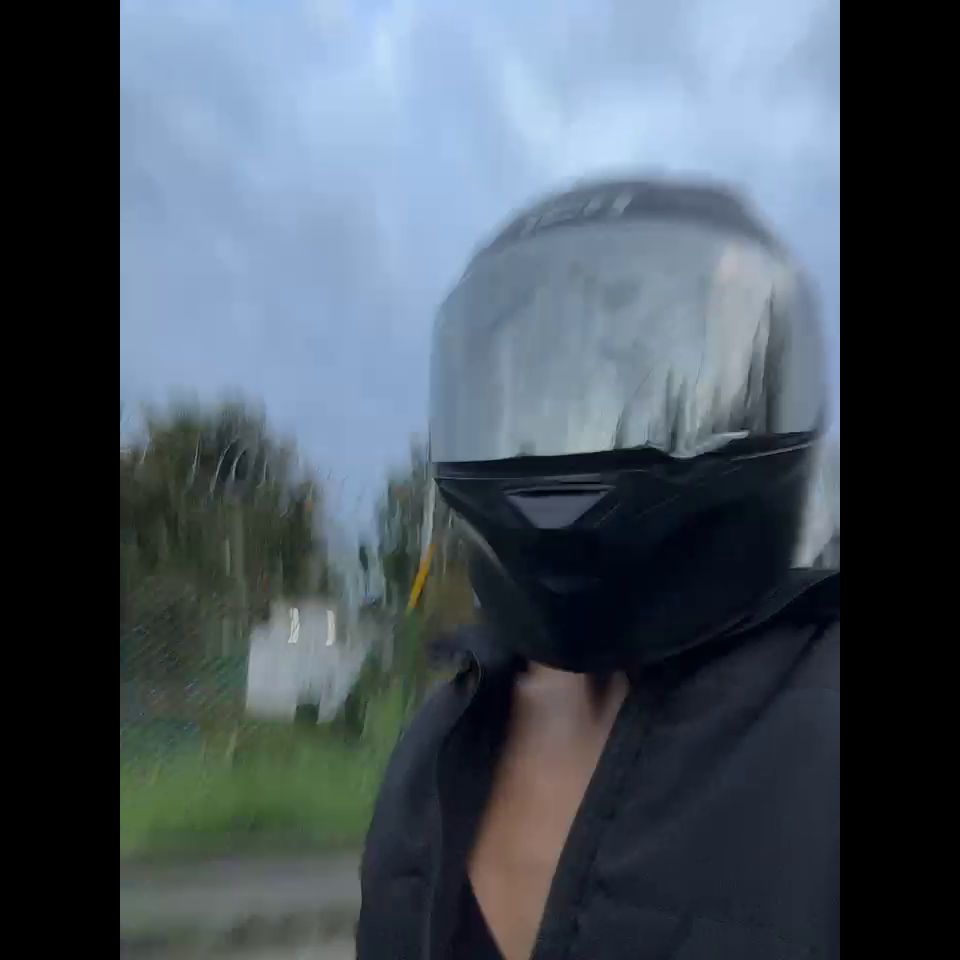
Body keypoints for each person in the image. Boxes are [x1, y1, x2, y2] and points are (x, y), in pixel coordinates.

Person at [356, 179, 839, 960]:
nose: (583, 427)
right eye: (549, 385)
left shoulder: (818, 720)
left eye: (656, 380)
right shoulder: (437, 741)